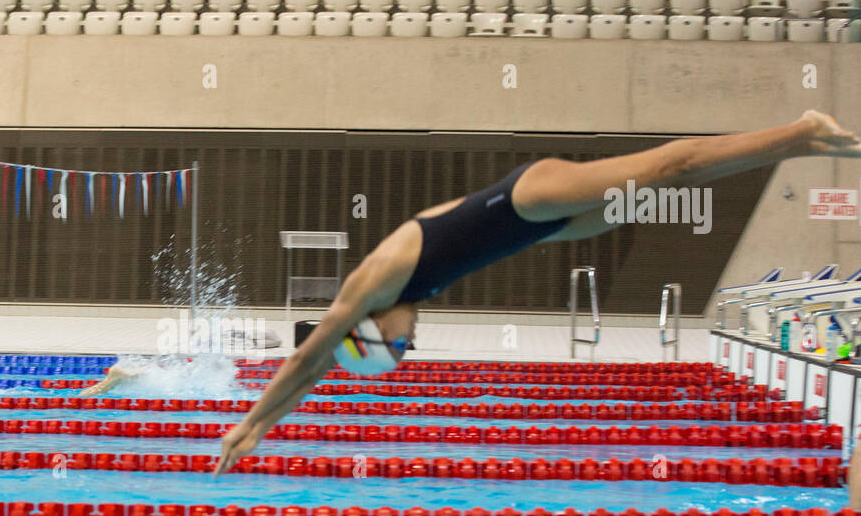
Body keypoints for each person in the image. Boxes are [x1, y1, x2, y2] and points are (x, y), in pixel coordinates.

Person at [214, 110, 861, 476]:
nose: (410, 343)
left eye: (399, 345)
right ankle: (791, 143)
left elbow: (309, 357)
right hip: (550, 228)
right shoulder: (402, 296)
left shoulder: (373, 281)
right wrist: (266, 429)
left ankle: (801, 134)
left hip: (528, 199)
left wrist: (249, 423)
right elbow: (323, 367)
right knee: (661, 187)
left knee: (673, 165)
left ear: (374, 325)